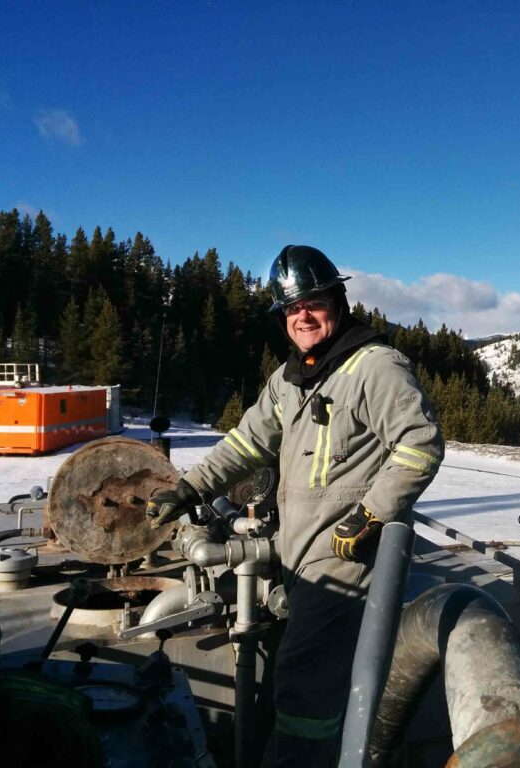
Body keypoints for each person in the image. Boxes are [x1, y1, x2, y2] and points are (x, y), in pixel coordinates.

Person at [146, 244, 444, 766]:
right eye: (291, 308)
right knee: (301, 680)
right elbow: (247, 442)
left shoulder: (374, 367)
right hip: (297, 551)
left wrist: (371, 513)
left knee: (306, 691)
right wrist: (189, 488)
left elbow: (420, 445)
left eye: (313, 302)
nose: (302, 316)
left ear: (338, 301)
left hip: (347, 557)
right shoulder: (291, 378)